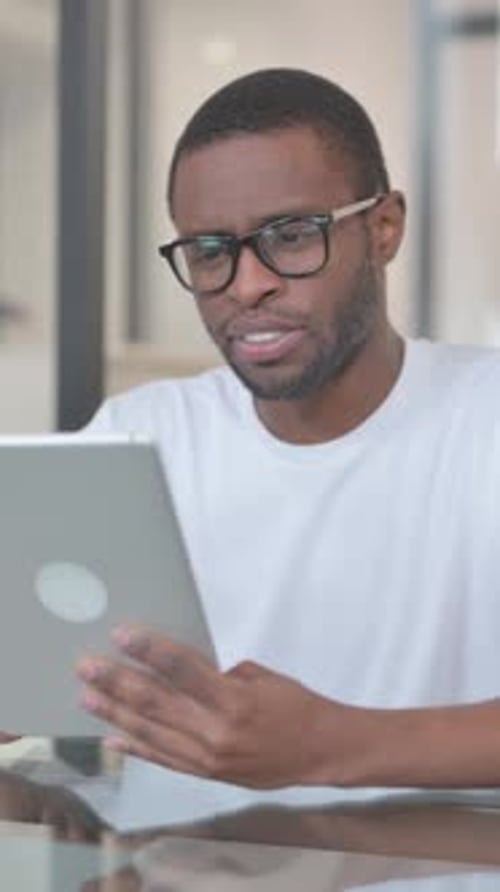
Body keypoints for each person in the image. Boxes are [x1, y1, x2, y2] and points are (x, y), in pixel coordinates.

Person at [4, 67, 500, 833]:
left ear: (383, 228)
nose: (248, 285)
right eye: (210, 252)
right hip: (165, 870)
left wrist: (326, 746)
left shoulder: (482, 419)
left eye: (291, 236)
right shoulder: (140, 436)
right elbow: (40, 676)